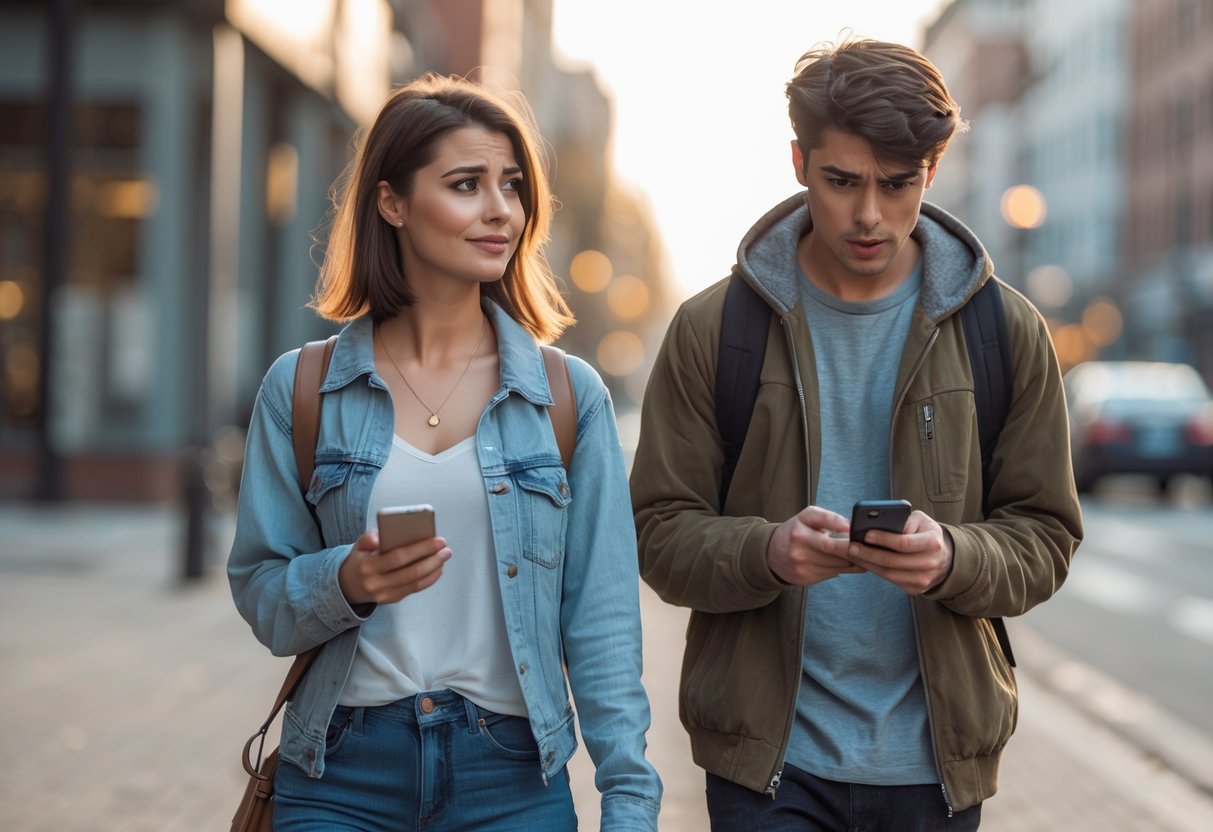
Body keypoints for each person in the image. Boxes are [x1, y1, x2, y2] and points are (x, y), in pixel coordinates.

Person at [630, 38, 1082, 830]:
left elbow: (1044, 537)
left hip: (935, 766)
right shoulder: (714, 329)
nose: (869, 214)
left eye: (896, 184)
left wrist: (952, 557)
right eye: (842, 182)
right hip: (768, 766)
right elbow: (658, 534)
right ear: (799, 161)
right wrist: (766, 552)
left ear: (930, 175)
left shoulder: (1004, 332)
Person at [228, 74, 662, 831]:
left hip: (511, 777)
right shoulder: (301, 388)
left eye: (512, 187)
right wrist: (348, 580)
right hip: (339, 772)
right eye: (466, 185)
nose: (500, 210)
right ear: (392, 202)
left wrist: (628, 805)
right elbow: (263, 594)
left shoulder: (566, 397)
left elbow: (602, 626)